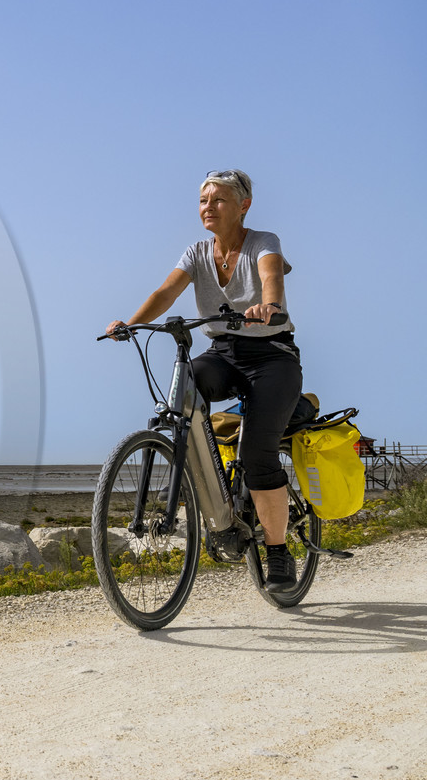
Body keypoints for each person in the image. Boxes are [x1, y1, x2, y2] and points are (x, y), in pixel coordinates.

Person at [105, 169, 303, 591]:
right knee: (184, 392)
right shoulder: (197, 252)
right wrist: (132, 324)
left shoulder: (263, 243)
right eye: (202, 201)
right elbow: (166, 292)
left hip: (272, 357)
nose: (207, 207)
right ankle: (201, 484)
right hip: (224, 353)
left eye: (218, 200)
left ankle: (278, 553)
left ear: (243, 206)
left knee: (257, 455)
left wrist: (268, 306)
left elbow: (272, 279)